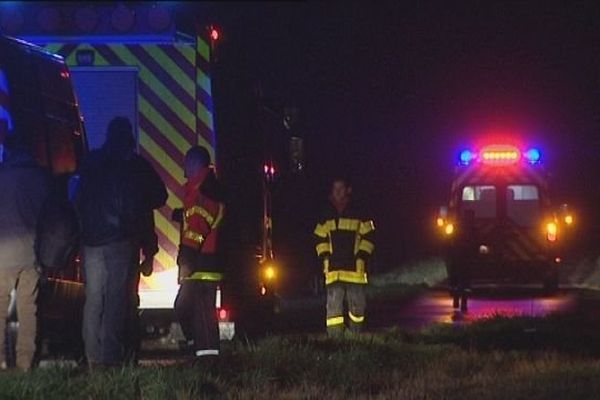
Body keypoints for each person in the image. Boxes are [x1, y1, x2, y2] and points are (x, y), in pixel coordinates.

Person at [76, 117, 166, 367]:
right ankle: (111, 359)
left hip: (91, 240)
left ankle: (92, 356)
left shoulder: (91, 161)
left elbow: (78, 198)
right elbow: (159, 195)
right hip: (120, 240)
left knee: (94, 298)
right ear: (129, 138)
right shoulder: (133, 165)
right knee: (117, 299)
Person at [0, 140, 49, 371]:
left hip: (3, 253)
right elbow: (47, 215)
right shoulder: (39, 179)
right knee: (29, 309)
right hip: (31, 254)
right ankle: (24, 364)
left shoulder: (2, 176)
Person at [173, 146, 225, 362]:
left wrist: (185, 262)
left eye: (187, 162)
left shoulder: (204, 192)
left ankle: (208, 360)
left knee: (202, 315)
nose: (184, 167)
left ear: (194, 164)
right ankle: (199, 350)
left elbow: (196, 229)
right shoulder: (203, 189)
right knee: (185, 307)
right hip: (201, 264)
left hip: (202, 265)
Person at [314, 177, 375, 337]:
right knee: (333, 310)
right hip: (334, 270)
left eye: (341, 189)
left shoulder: (359, 210)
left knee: (357, 307)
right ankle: (335, 341)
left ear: (348, 190)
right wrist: (325, 256)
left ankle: (355, 337)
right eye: (335, 189)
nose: (337, 192)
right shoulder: (325, 212)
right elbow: (319, 237)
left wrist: (362, 255)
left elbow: (369, 236)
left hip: (355, 269)